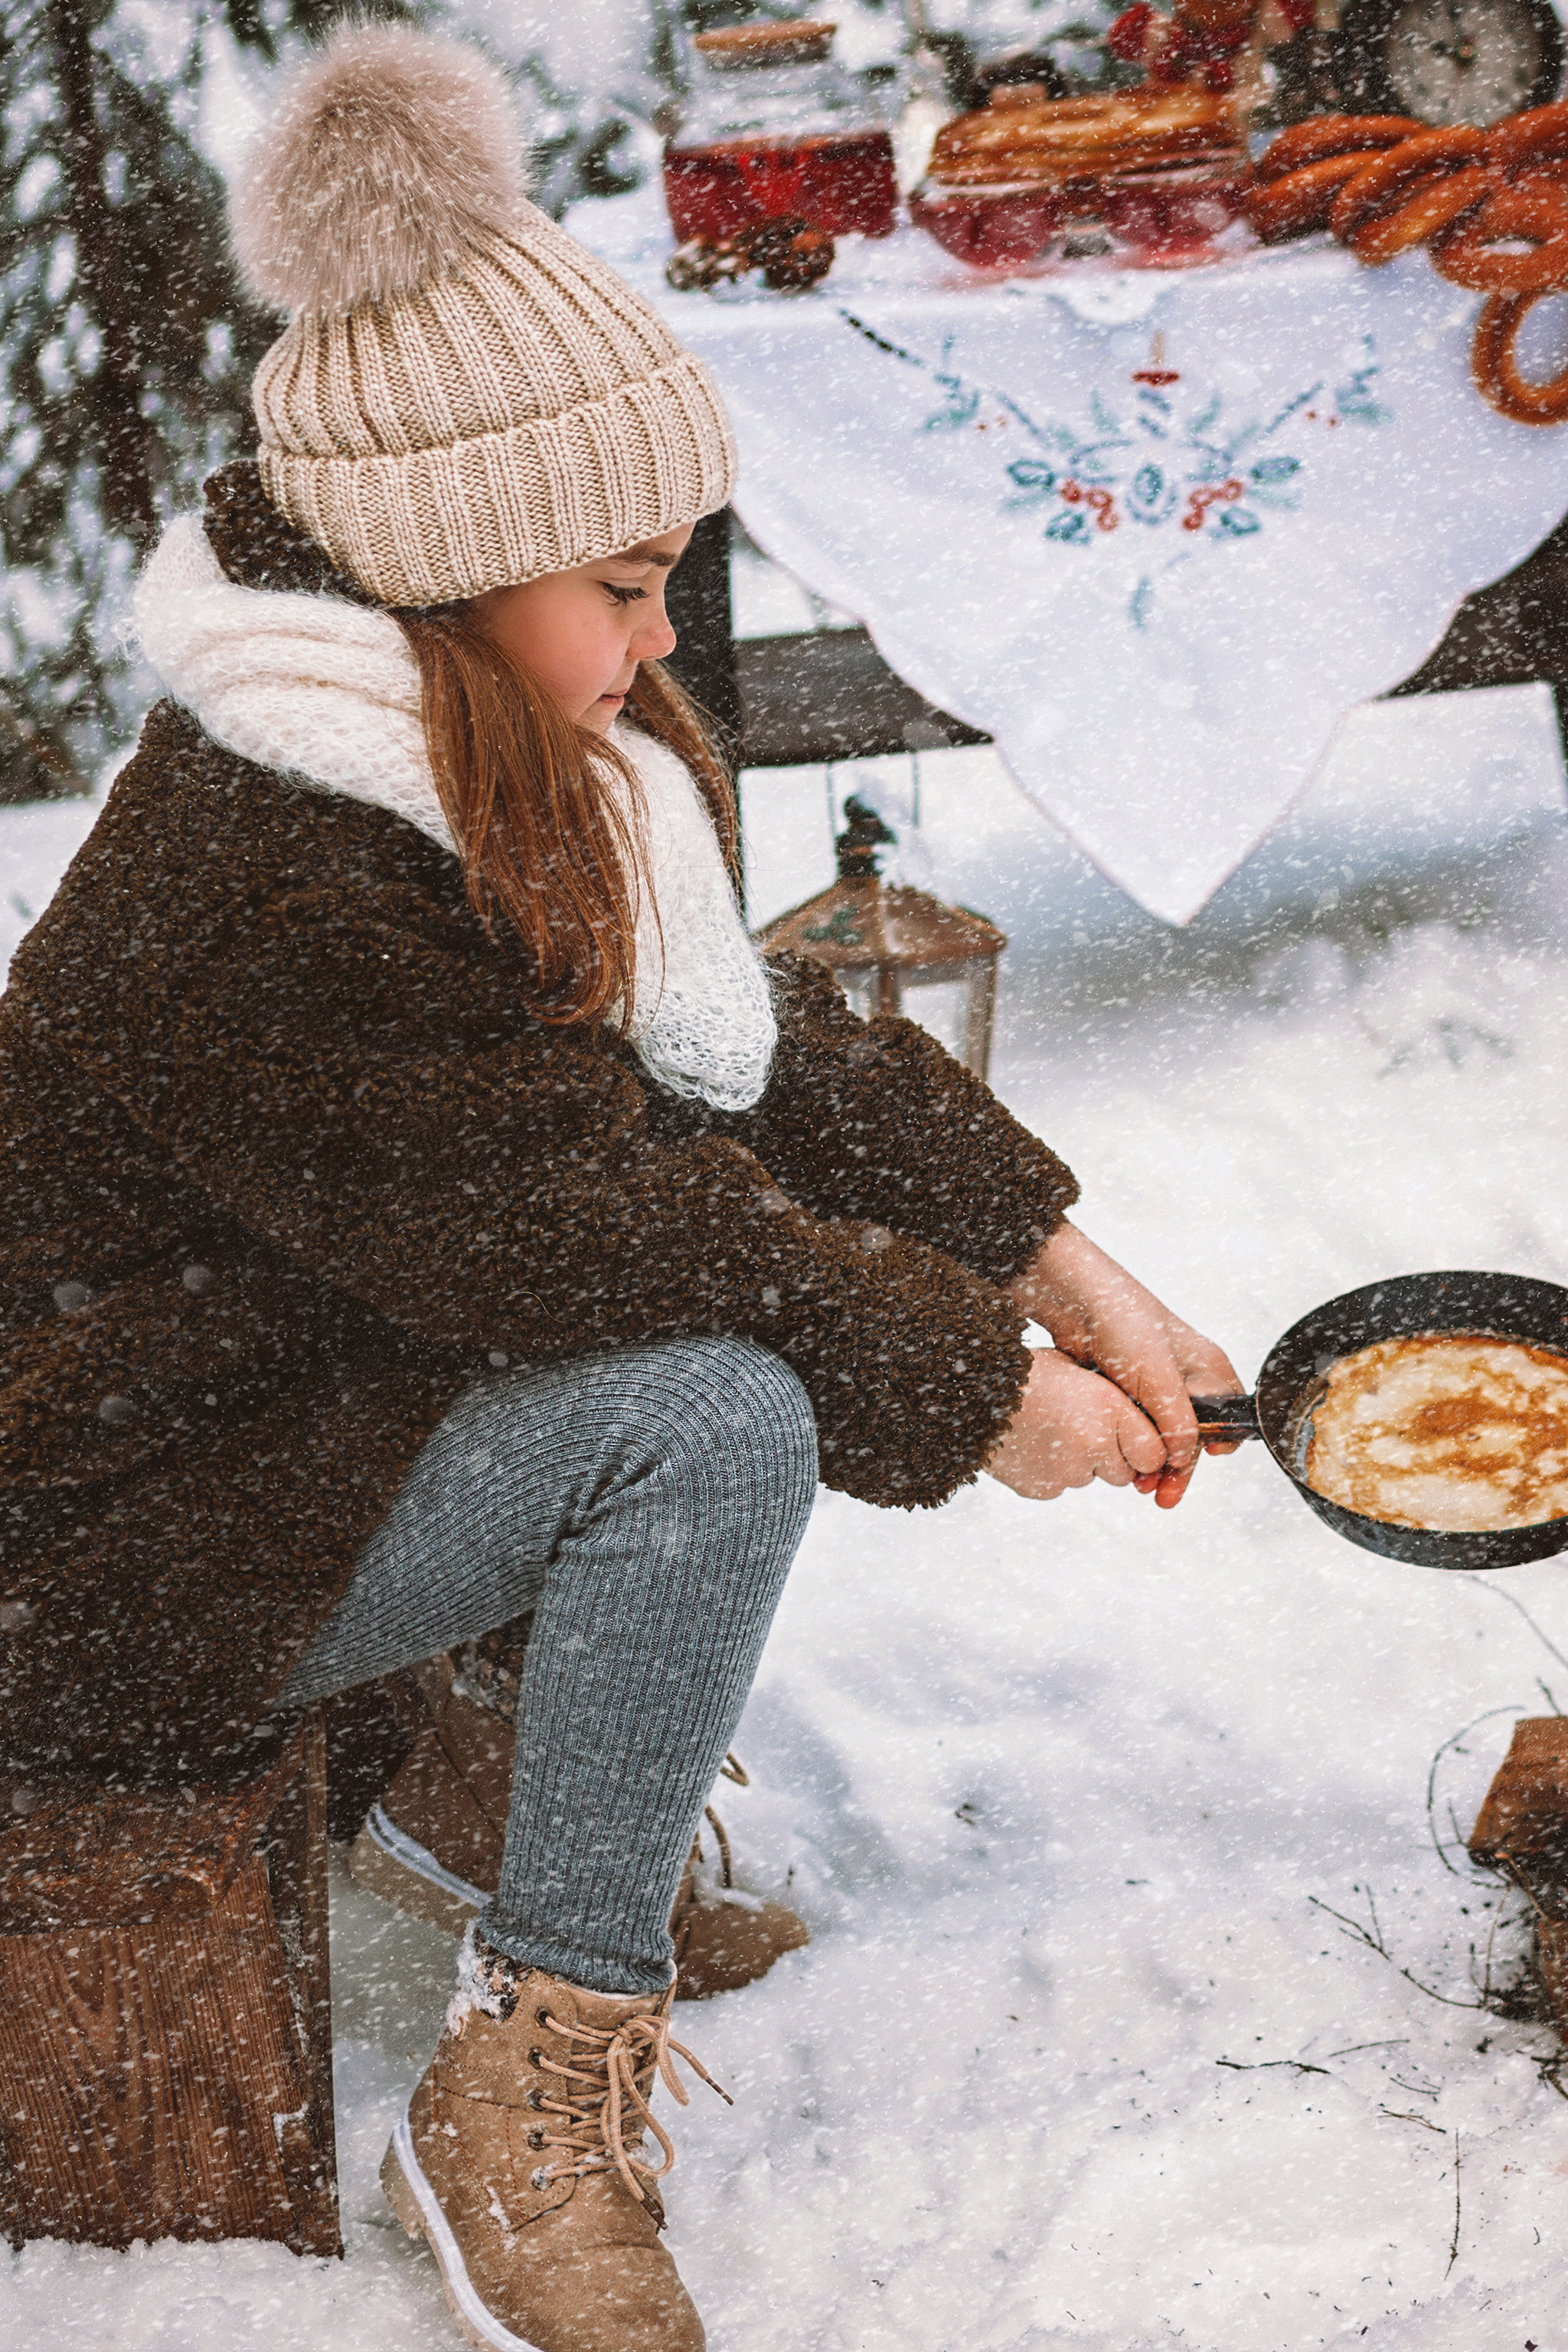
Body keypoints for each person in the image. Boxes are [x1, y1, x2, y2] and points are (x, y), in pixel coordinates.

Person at [0, 26, 1240, 2352]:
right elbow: (607, 1228)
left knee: (693, 1348)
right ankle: (528, 2071)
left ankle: (481, 1769)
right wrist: (979, 1388)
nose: (667, 638)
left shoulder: (476, 716)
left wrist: (1064, 1259)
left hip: (263, 1414)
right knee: (710, 1410)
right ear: (455, 569)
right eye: (629, 583)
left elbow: (733, 1062)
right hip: (80, 1541)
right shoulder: (269, 867)